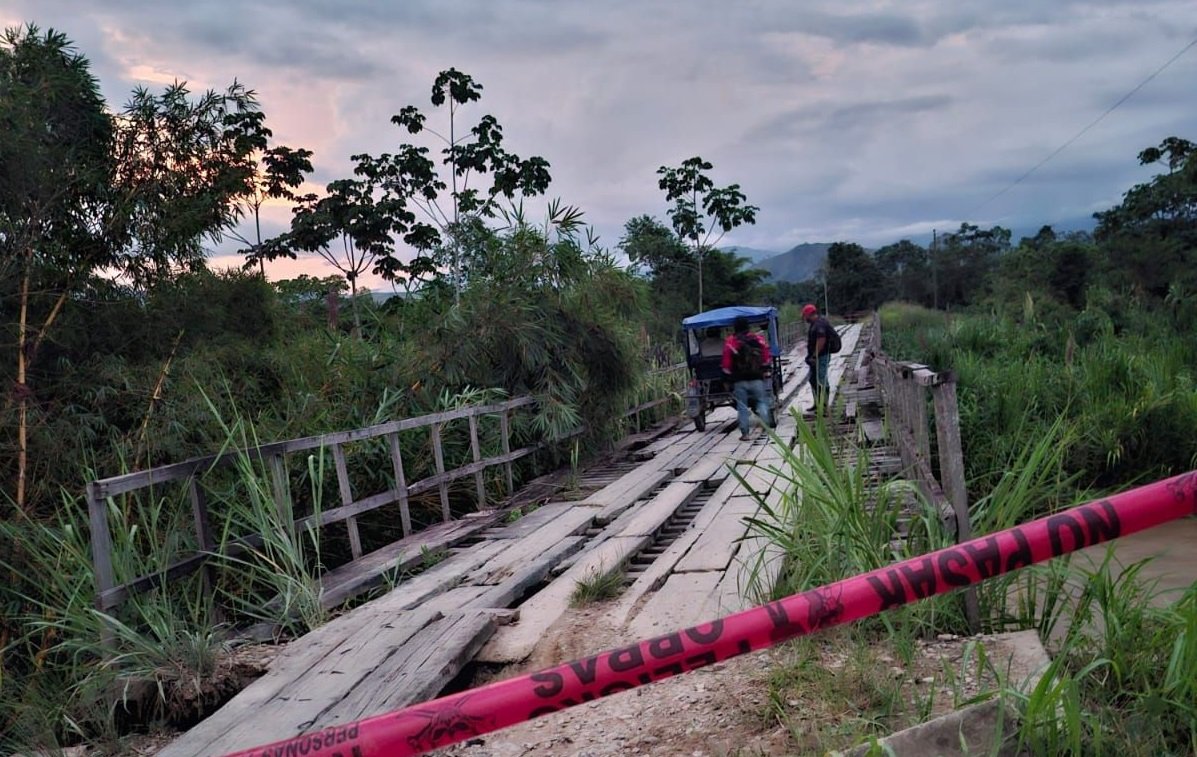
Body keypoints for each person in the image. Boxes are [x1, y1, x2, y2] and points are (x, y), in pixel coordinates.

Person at [722, 315, 772, 441]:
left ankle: (745, 434)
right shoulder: (758, 339)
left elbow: (726, 365)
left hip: (739, 381)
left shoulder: (731, 342)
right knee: (761, 401)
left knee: (742, 407)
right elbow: (766, 357)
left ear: (735, 327)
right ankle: (766, 425)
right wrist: (765, 369)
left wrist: (727, 380)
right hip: (757, 378)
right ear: (748, 326)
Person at [803, 303, 834, 413]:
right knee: (813, 380)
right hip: (815, 357)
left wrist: (815, 355)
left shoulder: (819, 324)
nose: (804, 318)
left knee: (821, 379)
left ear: (808, 314)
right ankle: (817, 403)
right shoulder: (816, 324)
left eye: (804, 316)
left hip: (821, 356)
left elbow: (821, 340)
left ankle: (824, 406)